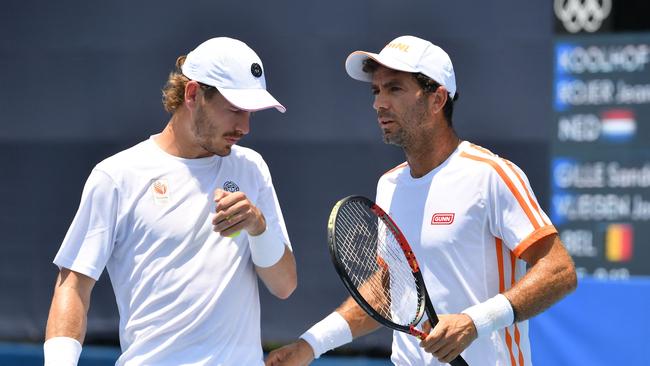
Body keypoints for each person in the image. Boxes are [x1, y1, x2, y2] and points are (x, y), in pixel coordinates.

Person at [265, 35, 577, 366]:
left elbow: (559, 270)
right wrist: (310, 345)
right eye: (377, 90)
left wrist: (474, 322)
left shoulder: (491, 175)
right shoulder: (389, 185)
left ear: (437, 99)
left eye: (395, 89)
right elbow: (388, 290)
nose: (379, 103)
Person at [44, 37, 297, 366]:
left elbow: (284, 285)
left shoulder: (252, 168)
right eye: (235, 109)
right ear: (192, 95)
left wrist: (257, 227)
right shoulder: (117, 175)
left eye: (250, 112)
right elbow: (73, 285)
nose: (245, 127)